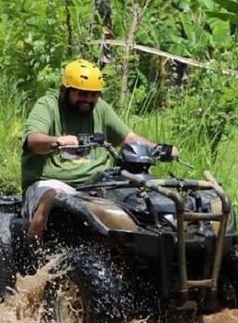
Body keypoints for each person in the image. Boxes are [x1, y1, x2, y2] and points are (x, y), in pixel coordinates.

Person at [21, 58, 178, 239]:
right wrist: (59, 141)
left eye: (93, 94)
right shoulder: (47, 106)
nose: (88, 99)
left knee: (138, 198)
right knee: (51, 196)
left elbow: (128, 138)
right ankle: (33, 253)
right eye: (82, 93)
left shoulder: (101, 109)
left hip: (98, 183)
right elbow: (33, 141)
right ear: (66, 90)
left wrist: (158, 148)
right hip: (52, 182)